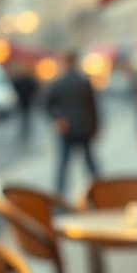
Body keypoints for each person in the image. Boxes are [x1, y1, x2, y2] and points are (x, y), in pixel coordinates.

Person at [45, 51, 100, 196]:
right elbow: (93, 107)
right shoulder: (83, 81)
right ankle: (100, 188)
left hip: (68, 129)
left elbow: (47, 105)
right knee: (89, 162)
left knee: (64, 163)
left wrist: (58, 118)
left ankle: (59, 192)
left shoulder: (59, 82)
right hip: (83, 128)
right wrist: (95, 127)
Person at [10, 62, 38, 143]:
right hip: (26, 100)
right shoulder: (27, 79)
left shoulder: (21, 79)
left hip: (24, 100)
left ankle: (24, 131)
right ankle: (24, 131)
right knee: (25, 117)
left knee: (24, 117)